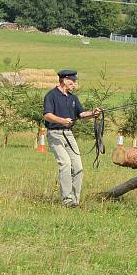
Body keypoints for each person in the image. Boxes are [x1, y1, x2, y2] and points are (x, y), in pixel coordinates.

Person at [43, 70, 101, 208]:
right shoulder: (51, 95)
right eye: (73, 81)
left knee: (78, 167)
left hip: (69, 134)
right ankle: (67, 200)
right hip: (54, 134)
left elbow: (82, 115)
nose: (75, 84)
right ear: (64, 80)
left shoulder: (73, 98)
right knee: (65, 164)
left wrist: (93, 114)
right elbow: (47, 115)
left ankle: (75, 201)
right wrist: (62, 121)